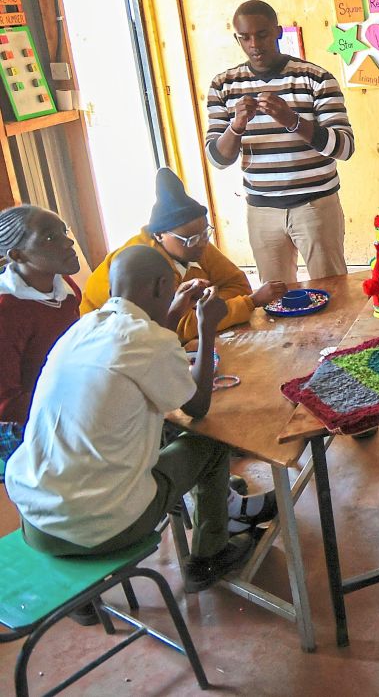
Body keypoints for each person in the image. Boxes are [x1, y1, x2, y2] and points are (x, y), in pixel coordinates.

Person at [5, 246, 271, 594]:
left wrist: (175, 309)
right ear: (163, 285)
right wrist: (206, 329)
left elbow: (145, 341)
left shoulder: (84, 327)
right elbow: (198, 405)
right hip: (100, 529)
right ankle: (209, 556)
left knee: (152, 428)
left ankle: (86, 600)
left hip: (36, 520)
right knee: (209, 439)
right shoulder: (147, 340)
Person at [204, 0, 354, 285]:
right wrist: (235, 127)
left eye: (262, 34)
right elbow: (217, 159)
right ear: (237, 39)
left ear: (278, 32)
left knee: (334, 293)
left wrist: (292, 120)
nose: (254, 45)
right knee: (276, 300)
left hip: (316, 205)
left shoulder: (316, 78)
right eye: (244, 38)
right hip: (261, 210)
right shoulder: (223, 86)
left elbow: (345, 148)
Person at [80, 168, 286, 344]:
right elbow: (175, 326)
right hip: (112, 342)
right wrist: (248, 303)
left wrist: (203, 308)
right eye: (190, 239)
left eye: (206, 233)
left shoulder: (195, 243)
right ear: (160, 235)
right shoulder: (146, 266)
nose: (201, 244)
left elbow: (237, 284)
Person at [0, 206, 81, 461]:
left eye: (63, 231)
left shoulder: (65, 291)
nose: (68, 242)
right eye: (50, 237)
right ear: (18, 255)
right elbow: (7, 404)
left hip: (67, 406)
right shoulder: (7, 310)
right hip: (26, 429)